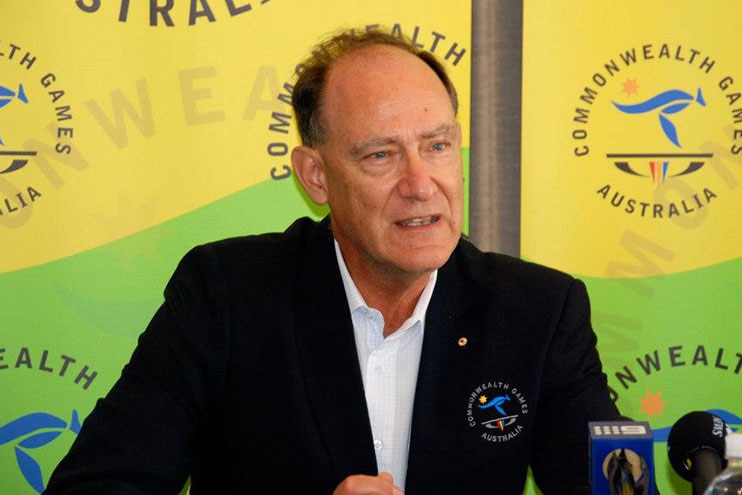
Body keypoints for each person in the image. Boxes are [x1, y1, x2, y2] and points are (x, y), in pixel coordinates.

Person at [44, 27, 622, 495]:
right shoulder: (227, 297)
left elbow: (611, 487)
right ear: (316, 176)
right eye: (380, 155)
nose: (421, 185)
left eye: (438, 145)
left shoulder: (539, 312)